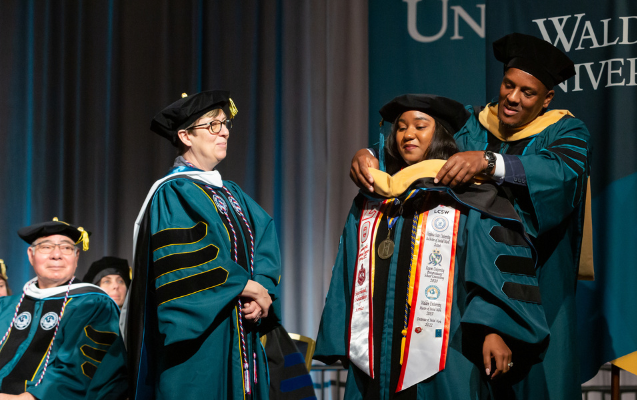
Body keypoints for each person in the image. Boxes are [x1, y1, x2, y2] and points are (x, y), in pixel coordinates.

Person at [350, 34, 591, 399]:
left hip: (537, 284)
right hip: (465, 289)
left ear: (547, 99)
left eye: (527, 92)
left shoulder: (567, 131)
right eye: (509, 85)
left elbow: (560, 174)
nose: (512, 97)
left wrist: (490, 162)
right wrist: (368, 155)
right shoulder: (472, 126)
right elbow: (419, 150)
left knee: (539, 385)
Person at [316, 94, 549, 399]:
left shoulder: (470, 197)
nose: (407, 134)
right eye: (399, 127)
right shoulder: (375, 200)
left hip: (447, 349)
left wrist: (496, 330)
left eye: (420, 126)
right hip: (378, 350)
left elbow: (494, 271)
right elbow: (349, 270)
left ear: (439, 134)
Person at [127, 90, 313, 400]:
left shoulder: (231, 192)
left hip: (241, 330)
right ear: (186, 136)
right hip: (200, 343)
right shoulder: (173, 192)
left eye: (225, 123)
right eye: (213, 125)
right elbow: (186, 265)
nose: (225, 131)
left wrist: (262, 291)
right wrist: (244, 286)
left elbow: (265, 235)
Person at [0, 219, 127, 399]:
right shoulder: (6, 306)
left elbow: (79, 374)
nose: (56, 254)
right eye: (46, 247)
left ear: (76, 257)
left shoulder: (93, 305)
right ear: (31, 254)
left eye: (66, 248)